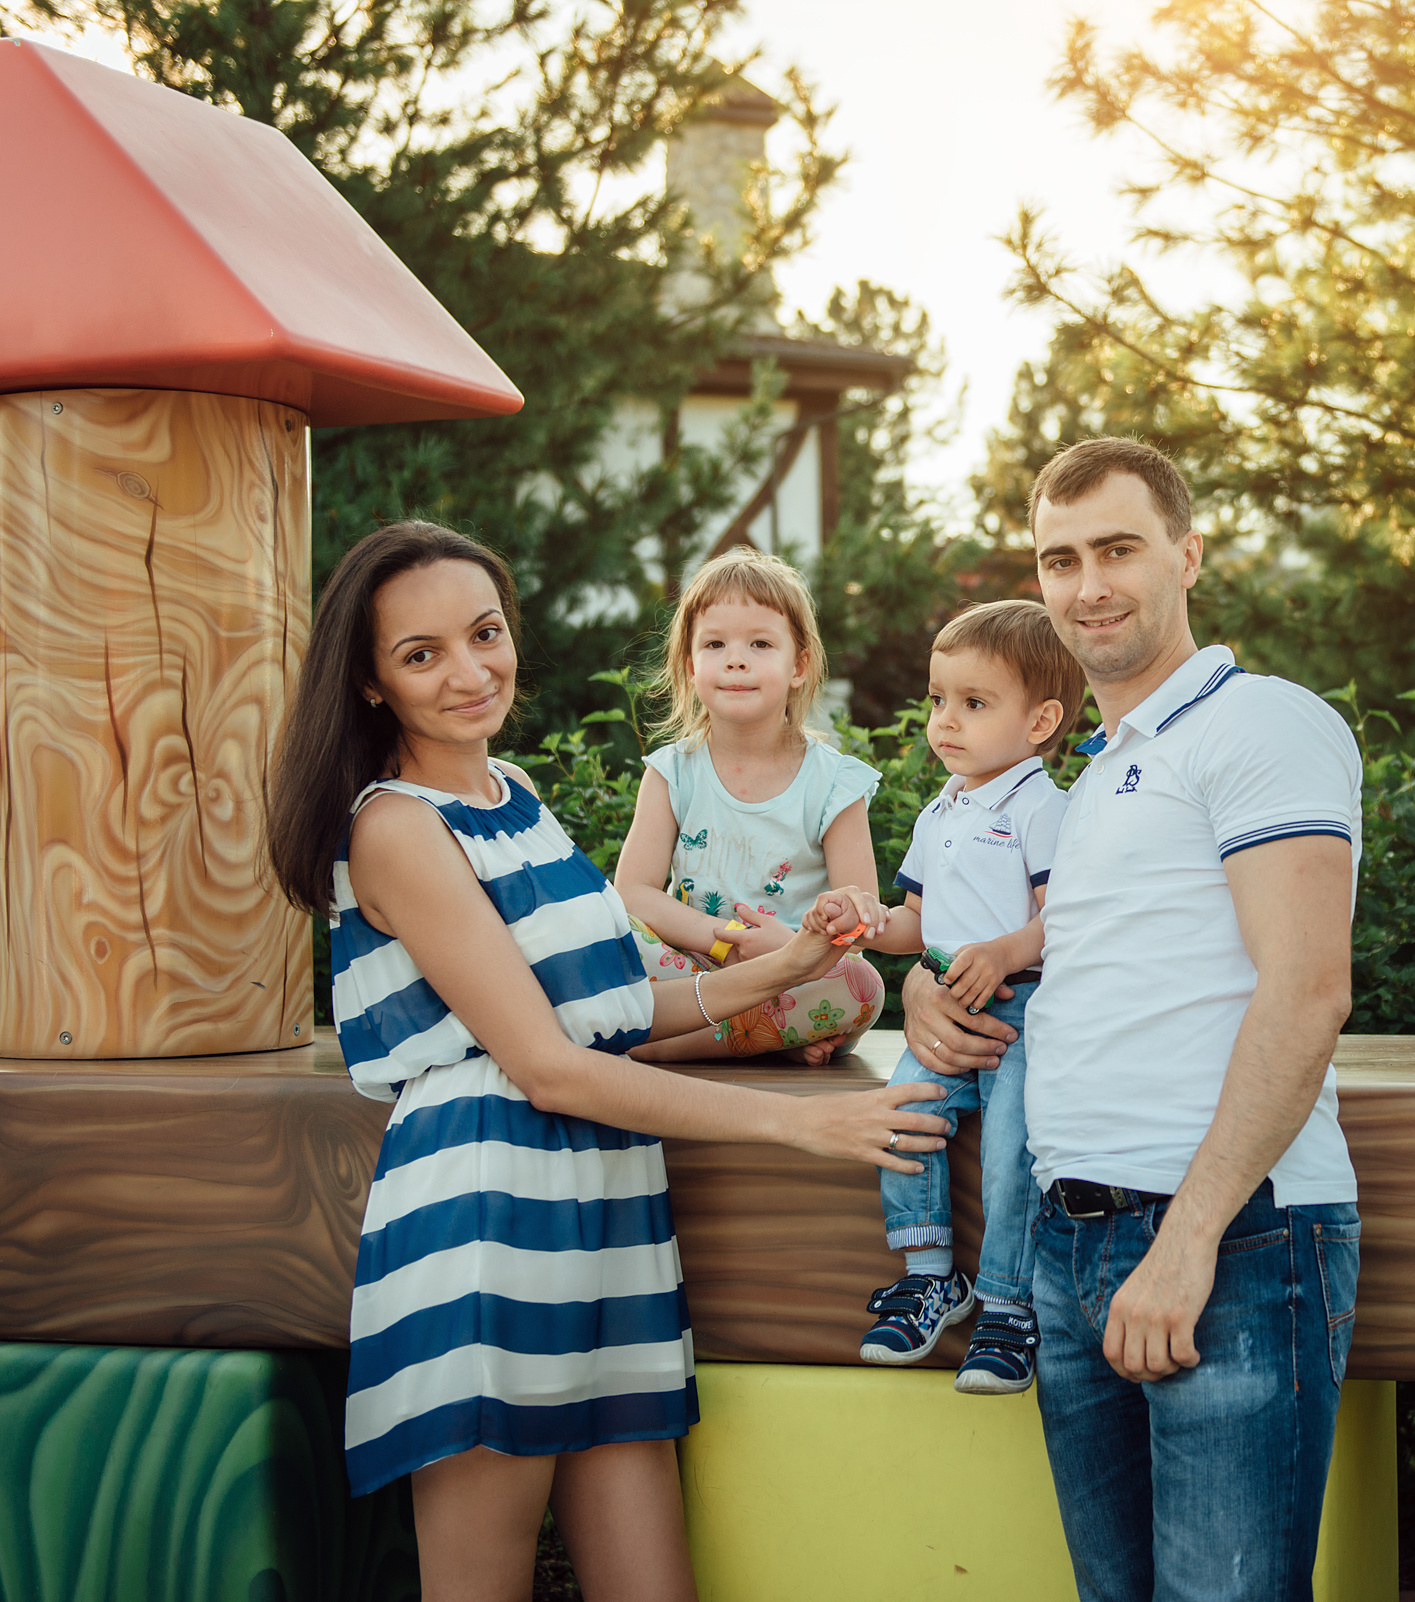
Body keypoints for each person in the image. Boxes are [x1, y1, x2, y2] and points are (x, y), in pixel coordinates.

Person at [266, 521, 948, 1602]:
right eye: (421, 653)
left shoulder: (516, 797)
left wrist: (796, 965)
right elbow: (546, 1066)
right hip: (490, 1209)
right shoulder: (396, 828)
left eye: (484, 634)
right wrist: (799, 1122)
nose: (470, 670)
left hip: (611, 1201)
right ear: (368, 682)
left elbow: (617, 1015)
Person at [900, 440, 1364, 1601]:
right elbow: (1055, 962)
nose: (1087, 584)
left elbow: (1308, 992)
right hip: (1068, 1241)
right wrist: (924, 983)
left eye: (1118, 549)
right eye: (1061, 559)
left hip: (1233, 1241)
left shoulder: (1261, 723)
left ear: (1187, 555)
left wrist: (1190, 1239)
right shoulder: (1098, 772)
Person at [827, 599, 1083, 1393]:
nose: (945, 721)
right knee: (903, 1112)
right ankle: (932, 1276)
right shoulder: (942, 810)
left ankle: (1009, 1306)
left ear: (1040, 721)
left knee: (1012, 1149)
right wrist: (868, 922)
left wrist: (1006, 950)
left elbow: (1065, 919)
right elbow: (916, 922)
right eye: (939, 699)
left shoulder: (1045, 809)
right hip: (944, 1012)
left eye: (974, 704)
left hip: (1021, 1016)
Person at [613, 546, 893, 1063]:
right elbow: (632, 891)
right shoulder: (672, 772)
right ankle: (763, 1040)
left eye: (761, 643)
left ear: (799, 666)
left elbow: (858, 922)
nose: (736, 658)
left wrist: (791, 949)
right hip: (691, 965)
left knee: (860, 985)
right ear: (690, 666)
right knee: (606, 928)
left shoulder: (834, 784)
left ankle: (664, 1048)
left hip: (790, 970)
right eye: (715, 643)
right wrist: (720, 940)